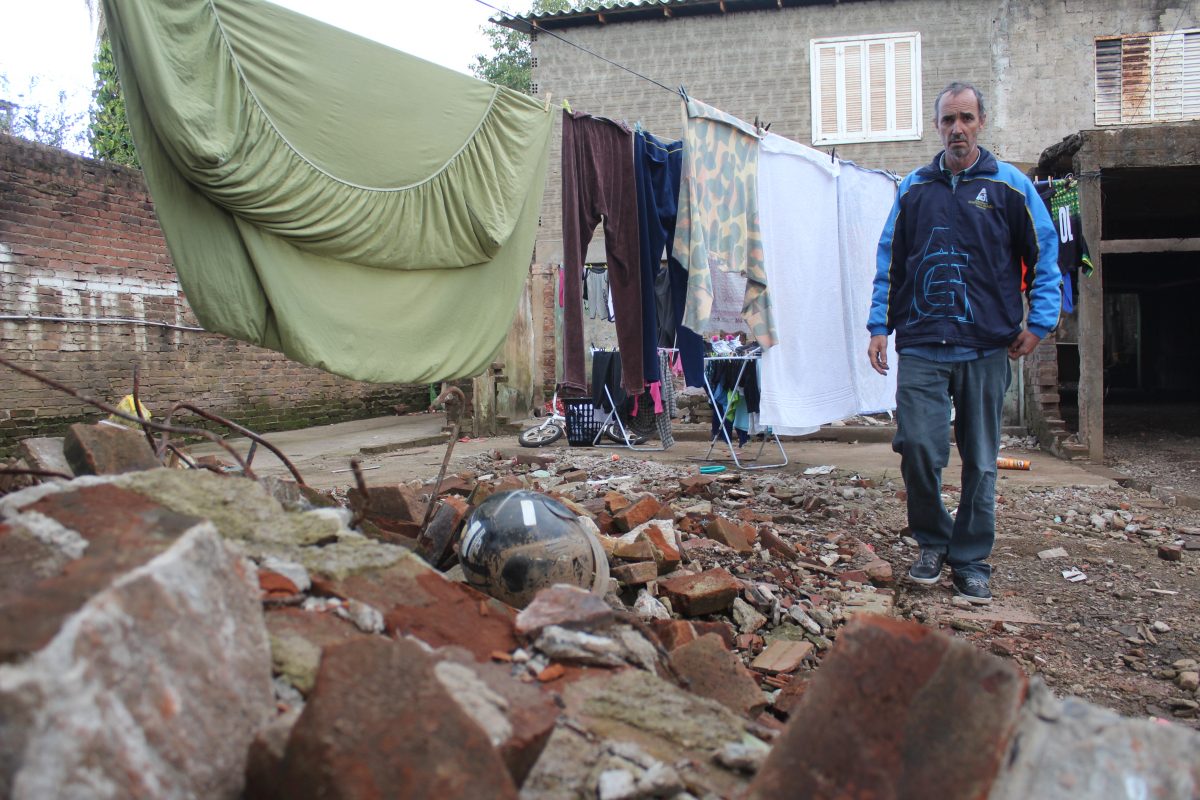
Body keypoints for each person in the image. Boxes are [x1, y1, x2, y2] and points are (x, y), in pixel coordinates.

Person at [866, 81, 1061, 604]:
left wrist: (1039, 322)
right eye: (949, 119)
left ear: (981, 122)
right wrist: (878, 326)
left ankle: (971, 558)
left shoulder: (1010, 187)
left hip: (985, 346)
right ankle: (933, 540)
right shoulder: (914, 189)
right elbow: (890, 260)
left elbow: (1046, 257)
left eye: (967, 118)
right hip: (925, 343)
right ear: (937, 126)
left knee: (980, 459)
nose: (958, 129)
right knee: (917, 448)